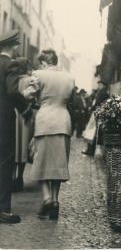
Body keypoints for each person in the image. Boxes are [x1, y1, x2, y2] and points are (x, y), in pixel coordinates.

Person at [30, 49, 75, 220]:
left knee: (40, 160)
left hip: (45, 120)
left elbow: (30, 95)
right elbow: (71, 100)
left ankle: (47, 198)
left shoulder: (38, 74)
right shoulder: (69, 78)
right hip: (63, 120)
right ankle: (55, 201)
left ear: (43, 62)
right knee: (58, 163)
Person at [0, 30, 32, 223]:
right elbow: (12, 92)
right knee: (4, 162)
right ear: (11, 47)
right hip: (2, 120)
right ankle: (3, 210)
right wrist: (26, 109)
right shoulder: (9, 64)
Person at [13, 57, 38, 192]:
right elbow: (33, 97)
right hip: (26, 115)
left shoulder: (13, 80)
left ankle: (12, 177)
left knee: (14, 145)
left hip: (14, 114)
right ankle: (20, 177)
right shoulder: (31, 80)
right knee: (23, 145)